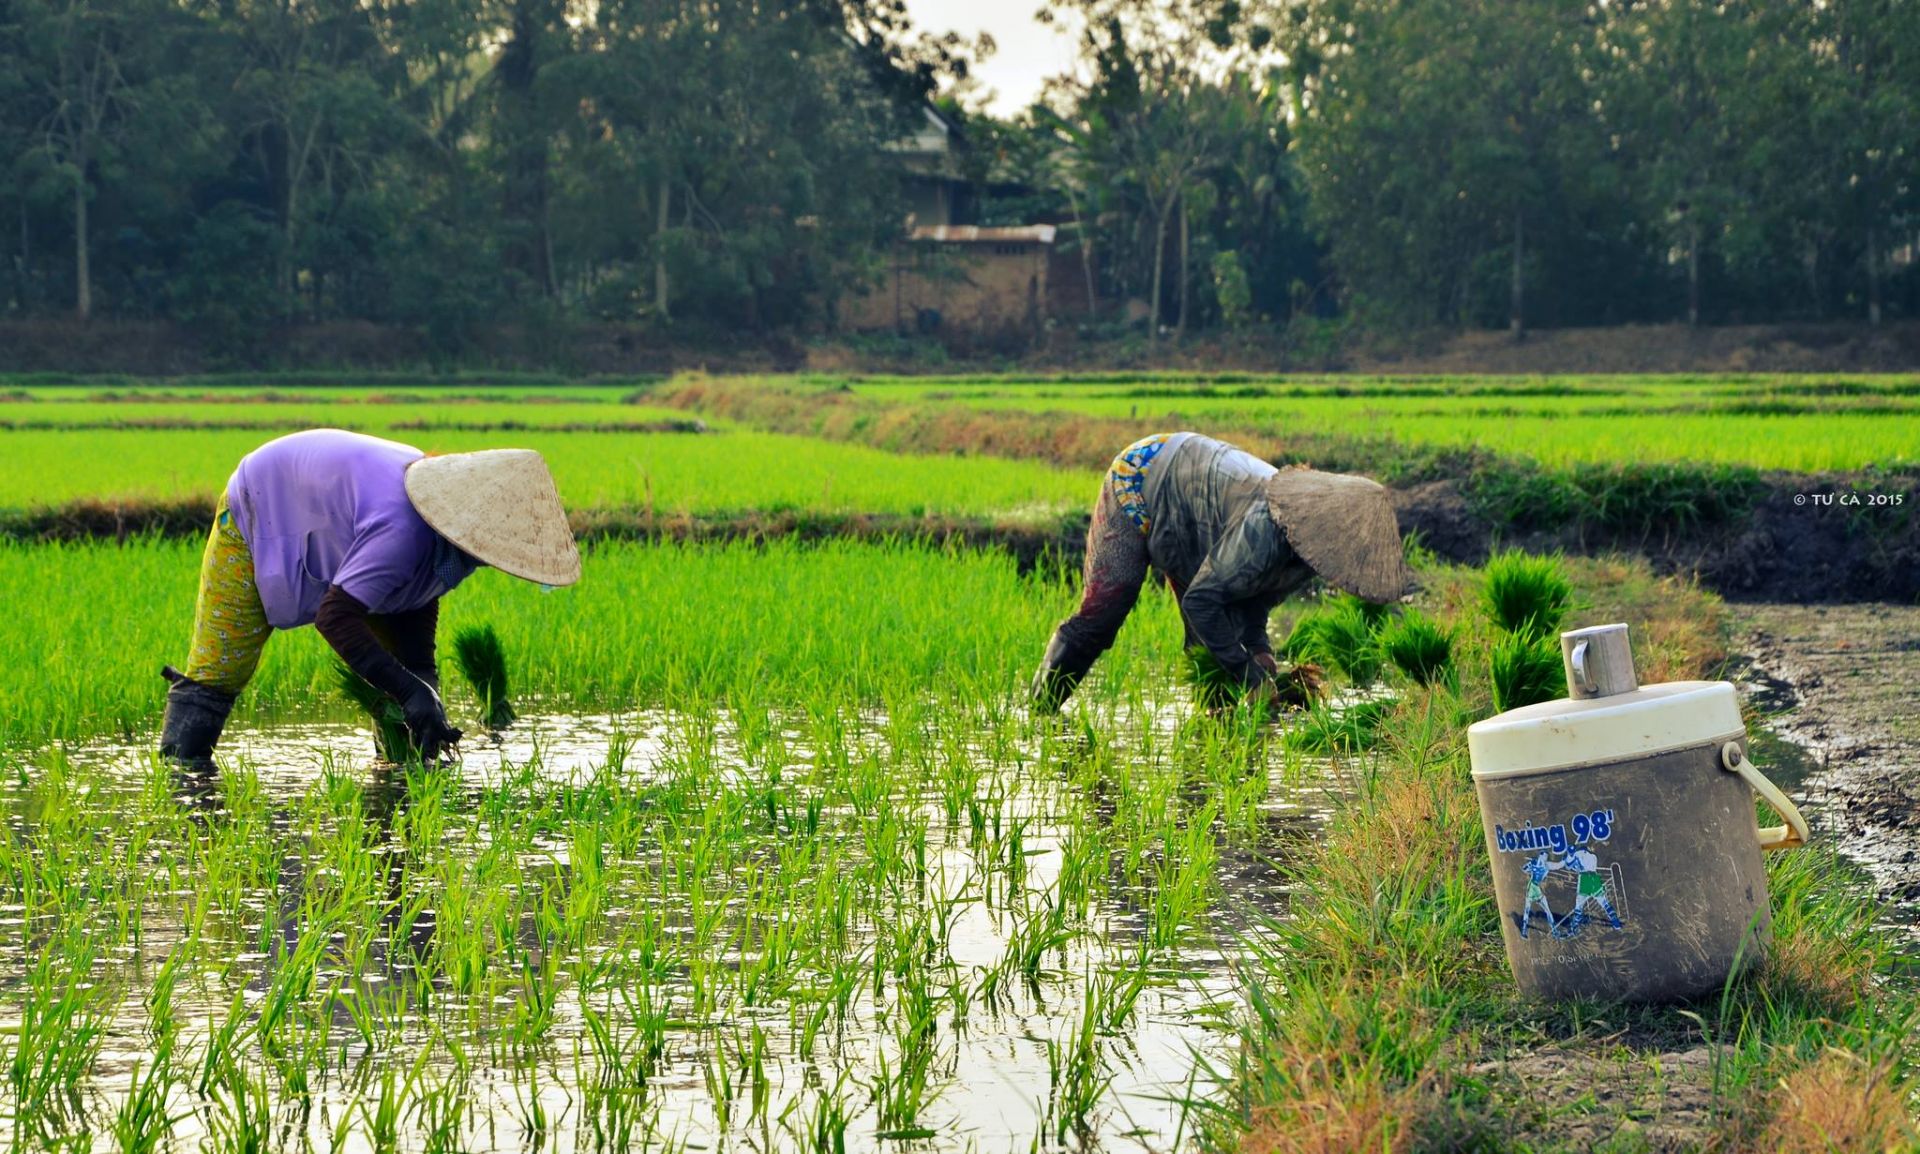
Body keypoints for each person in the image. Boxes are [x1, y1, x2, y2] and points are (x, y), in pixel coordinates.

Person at [159, 428, 582, 768]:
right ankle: (181, 777)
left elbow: (414, 593)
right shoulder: (401, 527)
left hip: (341, 522)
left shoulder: (450, 540)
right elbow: (336, 618)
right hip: (257, 507)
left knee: (402, 681)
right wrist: (412, 691)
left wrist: (420, 678)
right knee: (221, 668)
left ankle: (398, 773)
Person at [1029, 432, 1410, 712]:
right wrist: (1248, 673)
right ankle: (1039, 712)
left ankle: (1210, 744)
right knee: (1105, 611)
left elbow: (1253, 598)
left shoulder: (1309, 551)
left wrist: (1259, 652)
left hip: (1195, 516)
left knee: (1208, 646)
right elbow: (1201, 600)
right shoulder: (1267, 528)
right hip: (1143, 478)